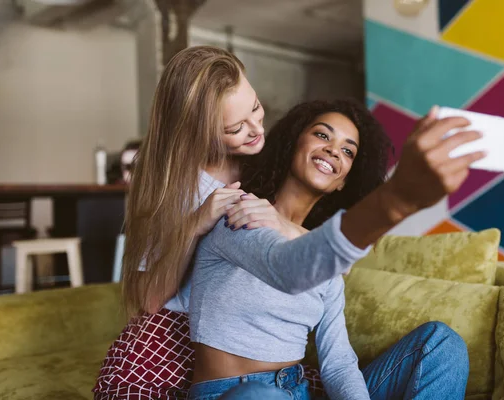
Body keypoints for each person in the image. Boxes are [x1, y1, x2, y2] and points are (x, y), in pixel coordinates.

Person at [187, 98, 480, 400]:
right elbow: (286, 269)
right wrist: (395, 200)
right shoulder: (239, 210)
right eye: (322, 135)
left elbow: (338, 363)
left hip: (298, 391)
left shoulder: (327, 264)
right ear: (292, 144)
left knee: (440, 342)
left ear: (343, 181)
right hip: (232, 394)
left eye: (347, 150)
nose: (333, 150)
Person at [94, 45, 306, 399]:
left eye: (255, 107)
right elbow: (149, 298)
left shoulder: (273, 161)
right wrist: (194, 225)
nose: (256, 129)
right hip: (175, 338)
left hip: (248, 341)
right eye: (236, 128)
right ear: (197, 132)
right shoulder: (174, 185)